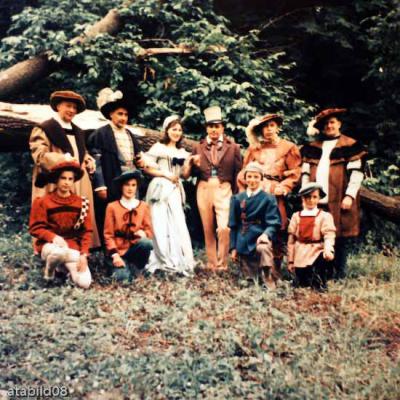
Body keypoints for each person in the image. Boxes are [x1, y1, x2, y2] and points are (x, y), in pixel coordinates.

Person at [301, 108, 367, 279]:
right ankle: (319, 273)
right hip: (316, 200)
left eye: (332, 122)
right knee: (317, 234)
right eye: (325, 124)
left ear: (339, 124)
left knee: (340, 235)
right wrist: (305, 195)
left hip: (339, 198)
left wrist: (349, 196)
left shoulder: (350, 145)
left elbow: (356, 174)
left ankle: (339, 275)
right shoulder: (312, 148)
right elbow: (305, 173)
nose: (329, 126)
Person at [29, 90, 100, 249]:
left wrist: (88, 159)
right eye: (68, 106)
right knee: (55, 213)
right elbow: (40, 155)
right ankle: (51, 246)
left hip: (77, 179)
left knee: (79, 211)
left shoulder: (78, 131)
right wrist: (62, 159)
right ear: (58, 106)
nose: (72, 110)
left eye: (74, 108)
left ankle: (82, 247)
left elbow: (80, 151)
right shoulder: (45, 128)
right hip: (54, 178)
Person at [237, 114, 301, 274]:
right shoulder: (254, 149)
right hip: (256, 191)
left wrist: (284, 186)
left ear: (277, 127)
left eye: (271, 125)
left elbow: (295, 172)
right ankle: (254, 269)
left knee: (277, 226)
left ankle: (275, 270)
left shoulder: (288, 147)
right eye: (265, 127)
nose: (268, 129)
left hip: (275, 191)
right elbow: (244, 173)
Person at [185, 106, 242, 270]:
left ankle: (222, 262)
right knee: (207, 227)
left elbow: (238, 172)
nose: (214, 130)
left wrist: (236, 194)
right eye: (211, 126)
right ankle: (211, 263)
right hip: (204, 188)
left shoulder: (233, 147)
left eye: (217, 126)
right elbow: (191, 172)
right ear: (206, 128)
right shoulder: (199, 146)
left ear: (222, 127)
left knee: (224, 227)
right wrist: (192, 164)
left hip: (224, 188)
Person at [87, 88, 145, 240]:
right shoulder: (101, 134)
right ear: (111, 114)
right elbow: (96, 161)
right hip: (112, 178)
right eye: (120, 114)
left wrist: (140, 161)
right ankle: (112, 247)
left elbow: (137, 156)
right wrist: (100, 185)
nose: (123, 118)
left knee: (131, 212)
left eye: (125, 115)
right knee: (113, 214)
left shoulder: (129, 134)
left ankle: (131, 245)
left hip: (130, 179)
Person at [142, 115, 195, 276]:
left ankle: (177, 259)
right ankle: (161, 259)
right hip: (160, 187)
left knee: (177, 222)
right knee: (159, 222)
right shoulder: (158, 148)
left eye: (179, 130)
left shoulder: (182, 152)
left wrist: (188, 165)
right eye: (173, 129)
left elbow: (185, 175)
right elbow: (147, 168)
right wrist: (165, 174)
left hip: (175, 189)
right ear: (166, 130)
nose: (177, 132)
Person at [29, 159, 93, 289]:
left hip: (72, 247)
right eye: (63, 178)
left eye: (70, 179)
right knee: (58, 253)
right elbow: (35, 228)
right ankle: (49, 273)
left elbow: (86, 231)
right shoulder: (43, 202)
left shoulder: (82, 203)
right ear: (56, 180)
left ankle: (62, 268)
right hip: (50, 246)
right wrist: (53, 237)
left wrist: (84, 254)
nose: (66, 182)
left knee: (84, 283)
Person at [229, 162, 281, 288]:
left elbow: (274, 223)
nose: (252, 180)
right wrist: (233, 248)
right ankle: (252, 279)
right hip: (243, 238)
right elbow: (233, 225)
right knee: (250, 281)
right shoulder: (237, 199)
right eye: (249, 176)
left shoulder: (268, 198)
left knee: (263, 248)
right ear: (245, 178)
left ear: (261, 178)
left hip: (260, 236)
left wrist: (266, 234)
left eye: (256, 177)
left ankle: (268, 276)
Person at [103, 170, 153, 282]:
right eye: (127, 185)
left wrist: (144, 233)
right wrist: (115, 255)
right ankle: (120, 267)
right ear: (121, 187)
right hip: (118, 250)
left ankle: (138, 267)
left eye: (133, 185)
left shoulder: (143, 206)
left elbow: (149, 231)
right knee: (123, 279)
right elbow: (108, 235)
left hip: (135, 249)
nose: (130, 188)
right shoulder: (112, 207)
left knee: (146, 243)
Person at [287, 182, 336, 291]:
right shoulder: (296, 216)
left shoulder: (324, 216)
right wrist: (290, 261)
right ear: (302, 198)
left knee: (318, 278)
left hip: (316, 251)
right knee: (301, 283)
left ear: (319, 198)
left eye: (314, 197)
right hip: (300, 253)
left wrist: (328, 250)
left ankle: (320, 283)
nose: (311, 200)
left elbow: (329, 235)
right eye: (308, 197)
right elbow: (291, 241)